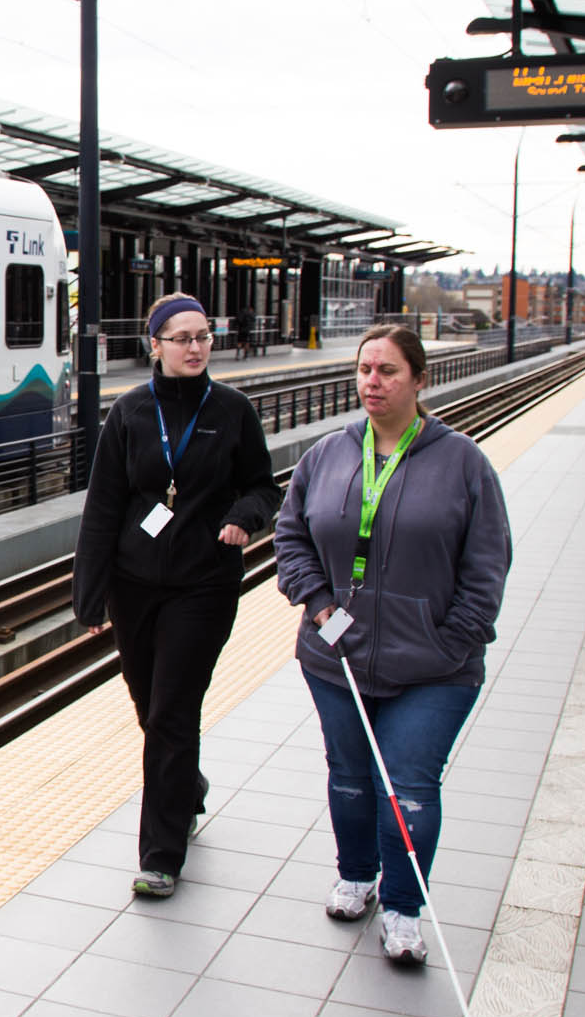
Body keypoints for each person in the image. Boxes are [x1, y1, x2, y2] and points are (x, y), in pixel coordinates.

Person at [273, 324, 511, 964]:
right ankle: (356, 875)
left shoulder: (463, 463)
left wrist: (451, 641)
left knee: (407, 788)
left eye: (388, 371)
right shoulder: (329, 454)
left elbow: (487, 566)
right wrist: (319, 606)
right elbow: (290, 534)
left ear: (420, 379)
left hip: (434, 669)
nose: (372, 382)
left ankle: (404, 909)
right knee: (350, 777)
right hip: (336, 658)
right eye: (364, 370)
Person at [74, 293, 281, 898]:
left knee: (171, 711)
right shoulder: (130, 414)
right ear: (155, 345)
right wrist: (89, 593)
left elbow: (262, 487)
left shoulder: (233, 410)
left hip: (203, 585)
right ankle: (185, 787)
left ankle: (161, 854)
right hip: (134, 588)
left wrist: (245, 514)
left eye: (204, 336)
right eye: (182, 338)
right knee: (150, 708)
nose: (195, 348)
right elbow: (104, 506)